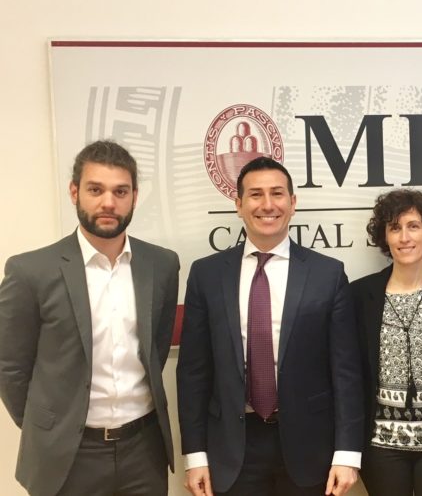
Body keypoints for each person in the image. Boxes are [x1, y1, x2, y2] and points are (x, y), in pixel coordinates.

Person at [0, 140, 179, 496]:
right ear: (74, 192)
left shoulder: (161, 265)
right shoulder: (30, 271)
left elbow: (156, 349)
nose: (108, 202)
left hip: (143, 451)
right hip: (68, 456)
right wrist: (49, 427)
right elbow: (10, 366)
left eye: (120, 191)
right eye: (96, 190)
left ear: (134, 196)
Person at [177, 157, 364, 496]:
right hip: (232, 448)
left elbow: (346, 372)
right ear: (238, 205)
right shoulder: (207, 275)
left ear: (293, 202)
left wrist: (347, 453)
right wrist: (195, 455)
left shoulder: (327, 274)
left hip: (309, 447)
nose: (267, 205)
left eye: (277, 194)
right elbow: (193, 372)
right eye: (255, 194)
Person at [351, 190, 422, 496]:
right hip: (380, 442)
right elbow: (353, 372)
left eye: (413, 226)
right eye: (395, 228)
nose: (404, 237)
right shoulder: (360, 295)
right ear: (385, 237)